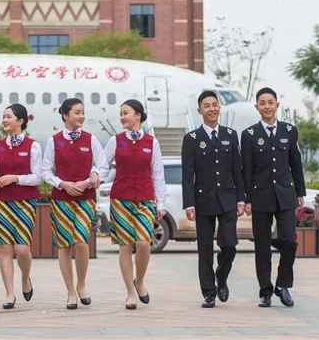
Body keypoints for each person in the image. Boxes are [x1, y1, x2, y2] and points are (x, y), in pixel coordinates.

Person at [40, 98, 108, 310]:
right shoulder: (54, 141)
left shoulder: (91, 139)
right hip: (61, 199)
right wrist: (62, 184)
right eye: (77, 112)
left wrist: (89, 179)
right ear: (65, 115)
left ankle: (82, 284)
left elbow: (103, 165)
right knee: (64, 245)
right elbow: (45, 171)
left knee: (81, 241)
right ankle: (70, 291)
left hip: (85, 198)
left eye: (83, 112)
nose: (81, 116)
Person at [241, 87, 306, 308]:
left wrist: (300, 192)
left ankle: (283, 284)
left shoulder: (289, 130)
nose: (267, 106)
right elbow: (247, 169)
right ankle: (265, 291)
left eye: (270, 102)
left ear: (277, 105)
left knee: (290, 241)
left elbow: (295, 162)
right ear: (256, 107)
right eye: (262, 103)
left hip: (286, 194)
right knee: (262, 246)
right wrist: (247, 198)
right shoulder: (249, 135)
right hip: (260, 196)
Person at [181, 91, 246, 308]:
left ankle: (222, 275)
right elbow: (187, 175)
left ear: (219, 107)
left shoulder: (230, 135)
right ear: (199, 110)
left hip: (228, 198)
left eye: (215, 105)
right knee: (205, 250)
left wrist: (241, 198)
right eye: (207, 106)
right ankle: (209, 292)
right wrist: (189, 203)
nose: (212, 109)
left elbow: (237, 169)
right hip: (203, 200)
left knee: (230, 244)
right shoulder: (191, 139)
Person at [103, 100, 166, 310]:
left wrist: (161, 203)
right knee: (125, 245)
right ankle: (130, 292)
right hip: (120, 199)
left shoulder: (151, 142)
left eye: (126, 113)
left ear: (138, 115)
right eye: (120, 114)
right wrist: (92, 179)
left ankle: (139, 281)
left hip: (145, 199)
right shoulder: (115, 140)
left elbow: (158, 174)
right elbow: (103, 165)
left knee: (143, 243)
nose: (122, 117)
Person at [0, 104, 42, 309]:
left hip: (25, 202)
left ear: (20, 121)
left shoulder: (33, 146)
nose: (4, 120)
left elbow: (38, 177)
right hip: (2, 203)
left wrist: (15, 178)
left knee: (22, 249)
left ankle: (25, 278)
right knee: (5, 248)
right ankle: (9, 294)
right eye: (3, 116)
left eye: (8, 117)